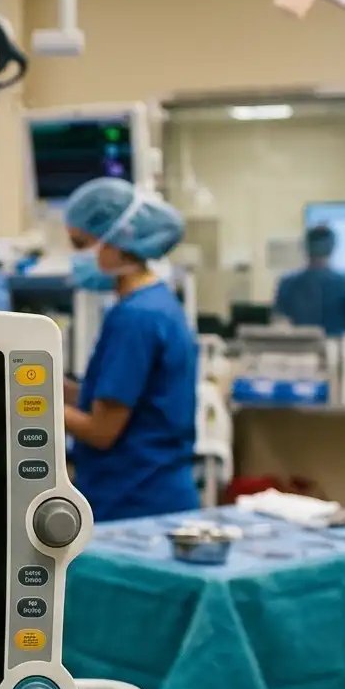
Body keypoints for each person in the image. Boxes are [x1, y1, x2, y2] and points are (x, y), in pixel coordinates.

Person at [62, 177, 198, 522]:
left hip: (136, 500)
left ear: (118, 242)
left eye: (81, 243)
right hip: (144, 491)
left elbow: (101, 431)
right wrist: (49, 387)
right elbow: (112, 399)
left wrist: (21, 403)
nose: (76, 256)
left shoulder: (137, 317)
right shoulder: (152, 304)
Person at [273, 224, 345, 335]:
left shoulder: (287, 284)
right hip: (335, 348)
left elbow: (279, 323)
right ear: (332, 248)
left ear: (305, 248)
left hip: (298, 348)